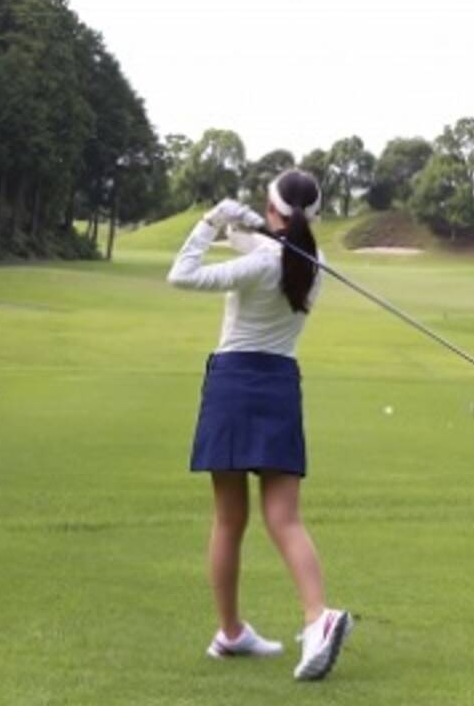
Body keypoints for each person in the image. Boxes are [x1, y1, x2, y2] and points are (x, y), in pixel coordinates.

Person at [167, 169, 353, 682]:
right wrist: (245, 223)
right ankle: (314, 616)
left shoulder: (262, 263)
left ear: (273, 210)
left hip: (232, 383)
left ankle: (232, 629)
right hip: (279, 384)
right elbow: (261, 244)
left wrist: (211, 221)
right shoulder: (312, 262)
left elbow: (182, 274)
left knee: (229, 520)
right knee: (284, 518)